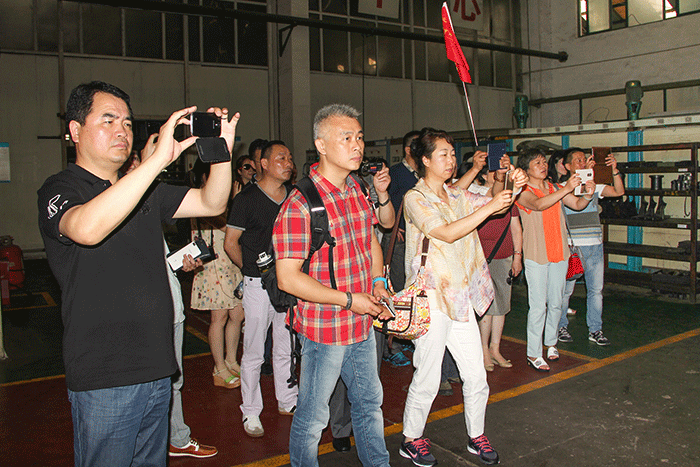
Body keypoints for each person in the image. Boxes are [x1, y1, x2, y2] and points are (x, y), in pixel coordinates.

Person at [37, 81, 237, 466]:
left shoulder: (145, 189)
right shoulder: (60, 188)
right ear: (75, 130)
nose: (122, 131)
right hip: (105, 375)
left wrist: (220, 152)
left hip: (157, 367)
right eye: (108, 120)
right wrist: (154, 163)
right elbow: (86, 229)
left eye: (127, 123)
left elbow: (212, 202)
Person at [273, 104, 393, 467]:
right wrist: (348, 300)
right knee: (313, 416)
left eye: (359, 137)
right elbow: (288, 277)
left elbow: (370, 240)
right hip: (325, 329)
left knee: (370, 405)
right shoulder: (301, 204)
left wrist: (377, 281)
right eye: (346, 138)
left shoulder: (357, 188)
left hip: (361, 322)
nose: (357, 145)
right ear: (321, 145)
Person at [398, 127, 526, 467]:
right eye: (443, 154)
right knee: (428, 375)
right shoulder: (415, 198)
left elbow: (498, 206)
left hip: (460, 297)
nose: (451, 160)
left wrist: (512, 182)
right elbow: (445, 232)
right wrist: (493, 204)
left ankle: (476, 435)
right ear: (425, 160)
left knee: (476, 374)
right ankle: (411, 438)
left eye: (453, 154)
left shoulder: (456, 195)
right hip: (431, 298)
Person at [122, 145, 218, 459]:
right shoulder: (112, 206)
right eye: (130, 162)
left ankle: (177, 437)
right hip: (138, 315)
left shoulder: (150, 200)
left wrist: (180, 264)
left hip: (171, 306)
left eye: (138, 160)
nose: (135, 165)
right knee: (138, 388)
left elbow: (157, 257)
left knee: (173, 379)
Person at [224, 140, 298, 438]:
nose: (288, 163)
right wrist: (252, 272)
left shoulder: (294, 197)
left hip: (289, 283)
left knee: (285, 346)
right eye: (281, 158)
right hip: (258, 284)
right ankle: (251, 410)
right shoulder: (246, 200)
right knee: (254, 350)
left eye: (290, 158)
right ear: (264, 164)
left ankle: (288, 400)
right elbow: (231, 243)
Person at [328, 158, 395, 453]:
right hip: (342, 288)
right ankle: (340, 426)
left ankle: (364, 426)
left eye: (358, 140)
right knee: (339, 364)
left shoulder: (363, 189)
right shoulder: (329, 191)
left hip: (372, 285)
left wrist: (382, 192)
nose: (356, 149)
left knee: (369, 365)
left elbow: (387, 223)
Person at [514, 149, 595, 372]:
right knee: (538, 306)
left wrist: (587, 195)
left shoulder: (555, 188)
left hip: (559, 252)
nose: (542, 166)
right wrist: (566, 188)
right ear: (526, 170)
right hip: (537, 254)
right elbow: (539, 204)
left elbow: (577, 205)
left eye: (543, 162)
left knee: (557, 302)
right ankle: (533, 353)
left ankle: (551, 342)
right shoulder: (522, 192)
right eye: (537, 163)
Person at [557, 148, 624, 346]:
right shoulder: (562, 188)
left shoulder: (595, 186)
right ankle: (560, 326)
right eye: (578, 160)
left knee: (596, 291)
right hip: (573, 248)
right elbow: (576, 203)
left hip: (595, 245)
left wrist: (614, 171)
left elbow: (619, 192)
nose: (582, 162)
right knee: (566, 291)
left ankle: (595, 329)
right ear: (567, 166)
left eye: (584, 159)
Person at [462, 159, 523, 371]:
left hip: (503, 256)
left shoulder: (508, 197)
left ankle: (495, 348)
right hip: (481, 257)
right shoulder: (475, 195)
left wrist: (517, 256)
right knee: (486, 305)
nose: (499, 174)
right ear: (483, 175)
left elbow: (516, 228)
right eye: (494, 172)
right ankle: (484, 350)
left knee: (502, 305)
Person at [190, 159, 244, 389]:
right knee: (219, 318)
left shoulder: (219, 200)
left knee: (237, 315)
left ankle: (231, 360)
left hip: (230, 264)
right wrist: (236, 201)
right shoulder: (202, 200)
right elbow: (227, 227)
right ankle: (219, 368)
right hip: (213, 267)